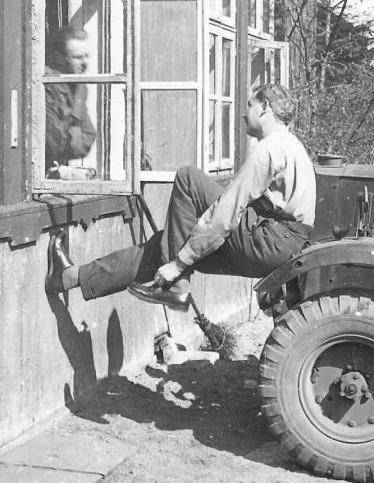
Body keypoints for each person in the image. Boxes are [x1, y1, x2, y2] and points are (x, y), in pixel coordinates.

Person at [45, 84, 316, 311]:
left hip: (269, 241)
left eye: (249, 105)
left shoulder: (269, 149)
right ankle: (70, 278)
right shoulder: (293, 146)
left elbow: (226, 213)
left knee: (188, 179)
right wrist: (179, 257)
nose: (244, 115)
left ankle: (176, 283)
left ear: (265, 107)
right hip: (279, 246)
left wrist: (179, 264)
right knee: (164, 245)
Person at [45, 25, 96, 177]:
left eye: (87, 56)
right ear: (59, 58)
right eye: (78, 57)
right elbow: (55, 144)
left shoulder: (78, 87)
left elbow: (86, 140)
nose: (85, 63)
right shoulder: (48, 86)